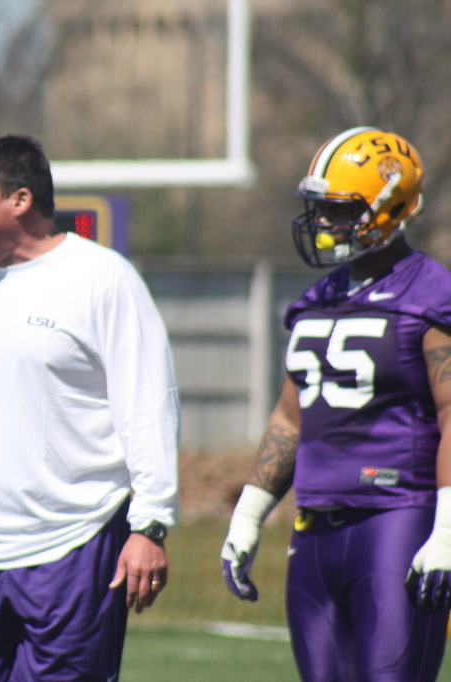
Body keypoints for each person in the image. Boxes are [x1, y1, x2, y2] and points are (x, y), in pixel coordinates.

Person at [0, 135, 179, 681]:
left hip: (73, 545)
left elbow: (149, 409)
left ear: (19, 201)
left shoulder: (103, 279)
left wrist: (150, 526)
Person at [221, 126, 451, 681]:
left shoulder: (429, 294)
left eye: (337, 210)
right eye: (319, 209)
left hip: (397, 520)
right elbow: (288, 416)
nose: (322, 224)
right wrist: (250, 513)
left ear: (390, 207)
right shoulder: (315, 302)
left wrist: (448, 528)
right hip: (315, 528)